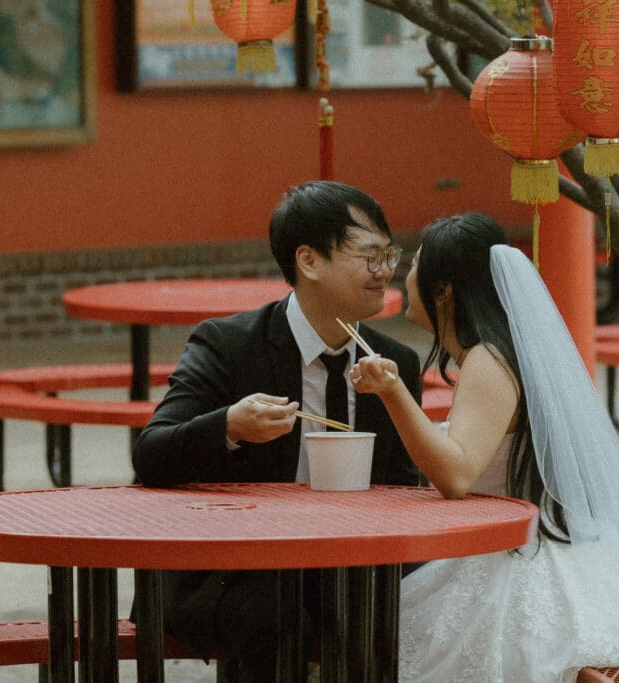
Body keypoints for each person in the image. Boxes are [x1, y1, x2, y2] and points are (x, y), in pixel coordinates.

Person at [350, 213, 619, 682]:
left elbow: (456, 477)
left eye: (416, 264)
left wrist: (393, 393)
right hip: (535, 549)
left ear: (444, 291)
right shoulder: (495, 353)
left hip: (516, 564)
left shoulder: (487, 358)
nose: (406, 275)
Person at [131, 180, 422, 680]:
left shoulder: (395, 362)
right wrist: (228, 426)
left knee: (415, 604)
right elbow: (152, 454)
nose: (385, 273)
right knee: (277, 614)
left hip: (348, 561)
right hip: (235, 566)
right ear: (309, 261)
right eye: (369, 257)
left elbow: (406, 486)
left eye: (389, 255)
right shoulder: (228, 343)